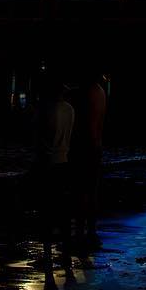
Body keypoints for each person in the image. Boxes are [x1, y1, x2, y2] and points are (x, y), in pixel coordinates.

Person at [35, 71, 76, 273]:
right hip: (64, 161)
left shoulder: (44, 109)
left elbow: (38, 138)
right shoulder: (69, 109)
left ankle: (47, 253)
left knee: (46, 210)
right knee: (63, 209)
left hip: (48, 163)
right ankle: (66, 251)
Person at [69, 73, 107, 251]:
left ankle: (80, 233)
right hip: (95, 147)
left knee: (81, 191)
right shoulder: (99, 91)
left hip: (86, 147)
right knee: (91, 191)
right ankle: (90, 232)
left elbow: (89, 128)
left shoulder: (88, 92)